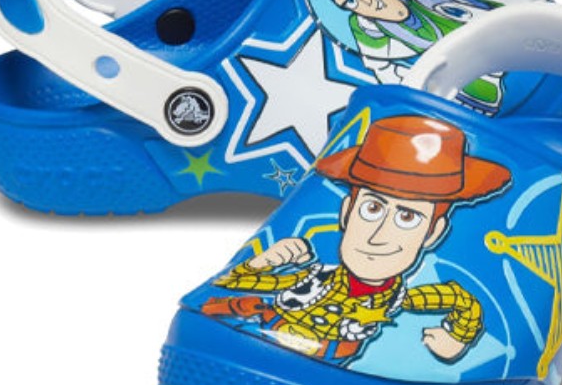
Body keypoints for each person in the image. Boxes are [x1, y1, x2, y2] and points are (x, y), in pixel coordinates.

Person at [202, 115, 511, 365]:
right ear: (347, 211)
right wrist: (259, 264)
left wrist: (457, 337)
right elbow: (241, 284)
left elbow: (462, 301)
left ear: (433, 233)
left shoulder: (398, 300)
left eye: (407, 217)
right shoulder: (313, 278)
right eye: (372, 208)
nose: (378, 236)